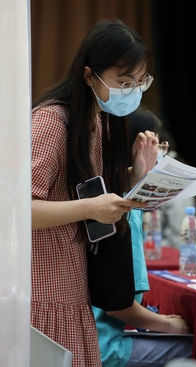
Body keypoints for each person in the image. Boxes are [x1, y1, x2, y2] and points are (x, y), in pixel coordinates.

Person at [31, 19, 158, 367]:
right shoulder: (51, 122)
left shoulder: (98, 121)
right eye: (123, 82)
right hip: (42, 289)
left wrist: (138, 174)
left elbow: (94, 193)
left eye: (138, 83)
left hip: (74, 287)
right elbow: (19, 210)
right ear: (89, 76)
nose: (131, 91)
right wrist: (90, 208)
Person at [92, 208, 193, 367]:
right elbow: (118, 307)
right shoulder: (125, 213)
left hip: (75, 339)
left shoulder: (93, 200)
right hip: (102, 349)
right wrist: (171, 325)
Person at [125, 106, 196, 247]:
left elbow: (177, 237)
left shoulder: (169, 175)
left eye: (158, 144)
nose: (157, 150)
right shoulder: (124, 178)